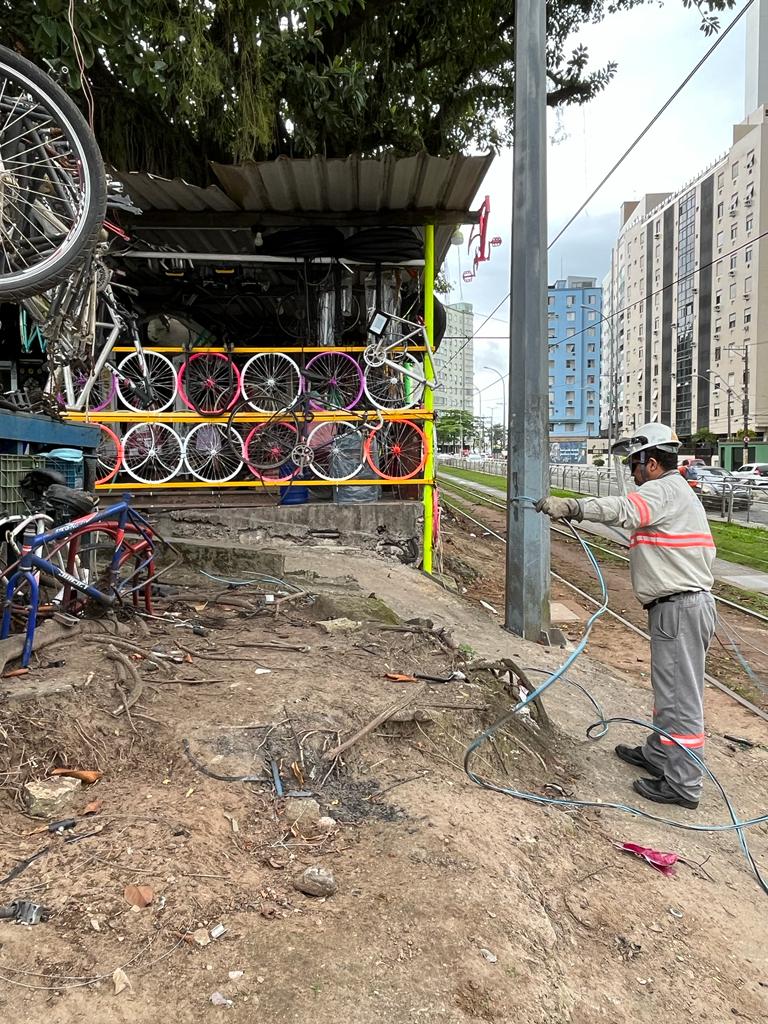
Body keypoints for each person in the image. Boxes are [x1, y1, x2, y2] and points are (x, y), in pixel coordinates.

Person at [535, 423, 717, 810]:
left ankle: (684, 785)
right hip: (679, 607)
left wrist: (574, 506)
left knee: (681, 698)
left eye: (634, 465)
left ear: (650, 463)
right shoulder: (674, 491)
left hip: (680, 607)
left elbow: (622, 509)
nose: (632, 473)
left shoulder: (661, 489)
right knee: (668, 691)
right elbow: (631, 524)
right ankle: (658, 754)